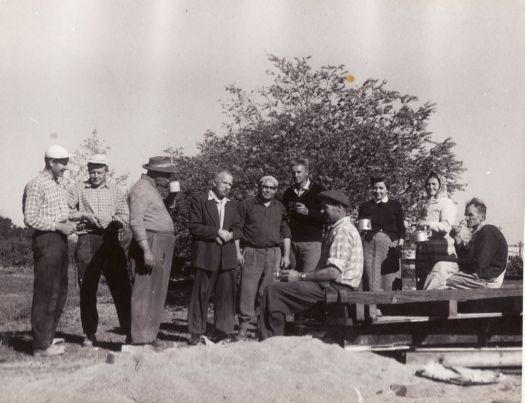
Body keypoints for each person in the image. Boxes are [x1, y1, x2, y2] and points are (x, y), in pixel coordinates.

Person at [258, 190, 363, 340]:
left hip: (335, 287)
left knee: (274, 292)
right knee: (273, 289)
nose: (321, 211)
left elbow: (333, 273)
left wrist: (300, 276)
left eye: (325, 207)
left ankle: (272, 344)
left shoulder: (343, 231)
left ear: (338, 207)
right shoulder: (339, 228)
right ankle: (272, 340)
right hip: (330, 286)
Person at [67, 154, 131, 347]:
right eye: (92, 171)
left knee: (121, 287)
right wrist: (85, 215)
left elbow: (124, 216)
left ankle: (130, 332)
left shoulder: (116, 191)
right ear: (88, 171)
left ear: (106, 171)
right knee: (87, 287)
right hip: (87, 240)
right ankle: (89, 334)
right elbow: (66, 212)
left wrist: (113, 221)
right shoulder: (78, 188)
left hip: (110, 240)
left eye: (99, 172)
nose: (95, 175)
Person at [22, 145, 76, 356]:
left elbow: (60, 213)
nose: (66, 167)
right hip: (47, 240)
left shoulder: (57, 184)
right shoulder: (36, 184)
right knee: (46, 290)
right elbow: (30, 218)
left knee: (60, 290)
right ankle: (40, 346)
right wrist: (57, 226)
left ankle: (47, 337)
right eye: (63, 163)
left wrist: (72, 220)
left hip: (59, 239)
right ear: (51, 162)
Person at [187, 170, 242, 345]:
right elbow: (194, 227)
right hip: (205, 255)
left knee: (226, 296)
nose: (227, 187)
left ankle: (223, 332)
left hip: (227, 257)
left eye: (230, 184)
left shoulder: (233, 204)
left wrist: (231, 235)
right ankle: (196, 333)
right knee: (200, 295)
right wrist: (216, 232)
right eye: (224, 183)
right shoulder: (200, 199)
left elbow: (240, 228)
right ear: (214, 182)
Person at [127, 156, 177, 345]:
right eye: (167, 175)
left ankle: (147, 336)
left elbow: (158, 212)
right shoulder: (141, 189)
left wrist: (172, 197)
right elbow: (136, 221)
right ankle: (140, 339)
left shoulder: (152, 189)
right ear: (156, 173)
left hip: (160, 242)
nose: (169, 179)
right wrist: (146, 250)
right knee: (144, 291)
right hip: (150, 241)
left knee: (155, 292)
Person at [237, 176, 291, 339]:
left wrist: (286, 255)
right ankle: (243, 328)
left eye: (272, 188)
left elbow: (286, 232)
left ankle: (263, 329)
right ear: (259, 187)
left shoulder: (280, 207)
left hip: (274, 253)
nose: (268, 190)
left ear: (276, 190)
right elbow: (237, 229)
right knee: (248, 291)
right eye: (265, 187)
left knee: (266, 292)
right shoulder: (247, 205)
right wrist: (238, 252)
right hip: (252, 252)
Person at [424, 198, 508, 290]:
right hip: (479, 274)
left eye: (470, 214)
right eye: (466, 215)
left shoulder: (489, 231)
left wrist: (454, 261)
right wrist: (457, 238)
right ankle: (427, 299)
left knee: (440, 280)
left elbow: (479, 264)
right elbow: (467, 260)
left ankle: (425, 301)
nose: (466, 218)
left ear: (482, 217)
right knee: (441, 266)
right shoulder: (478, 233)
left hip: (487, 279)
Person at [358, 176, 406, 291]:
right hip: (369, 247)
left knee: (389, 281)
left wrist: (400, 244)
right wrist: (359, 226)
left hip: (390, 248)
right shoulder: (365, 206)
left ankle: (389, 309)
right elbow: (362, 229)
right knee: (371, 279)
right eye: (375, 188)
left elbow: (401, 229)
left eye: (381, 188)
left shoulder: (395, 205)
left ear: (387, 189)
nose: (377, 191)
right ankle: (371, 309)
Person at [282, 158, 325, 274]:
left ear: (307, 172)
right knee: (291, 279)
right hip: (293, 244)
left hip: (312, 243)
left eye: (299, 172)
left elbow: (326, 217)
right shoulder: (288, 193)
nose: (295, 175)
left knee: (307, 279)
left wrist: (308, 212)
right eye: (293, 173)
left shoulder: (319, 191)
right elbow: (284, 217)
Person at [414, 171, 457, 289]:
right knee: (422, 280)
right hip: (424, 248)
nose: (430, 187)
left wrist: (428, 224)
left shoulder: (446, 203)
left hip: (439, 248)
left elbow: (446, 226)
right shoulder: (427, 204)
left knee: (435, 282)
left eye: (434, 184)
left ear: (441, 185)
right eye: (428, 184)